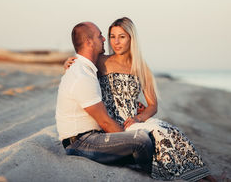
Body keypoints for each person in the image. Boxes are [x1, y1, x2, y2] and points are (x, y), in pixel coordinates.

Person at [65, 17, 215, 182]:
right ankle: (193, 179)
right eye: (112, 36)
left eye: (122, 37)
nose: (116, 42)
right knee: (158, 134)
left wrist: (139, 117)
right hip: (113, 123)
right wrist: (68, 62)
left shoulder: (141, 67)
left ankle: (207, 176)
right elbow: (82, 67)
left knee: (173, 131)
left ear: (131, 38)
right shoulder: (102, 61)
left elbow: (153, 105)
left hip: (133, 119)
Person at [55, 21, 154, 173]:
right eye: (100, 35)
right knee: (141, 141)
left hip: (94, 137)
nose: (104, 40)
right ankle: (153, 174)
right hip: (82, 142)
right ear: (89, 42)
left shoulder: (87, 69)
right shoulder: (81, 74)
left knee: (149, 137)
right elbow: (105, 122)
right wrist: (128, 137)